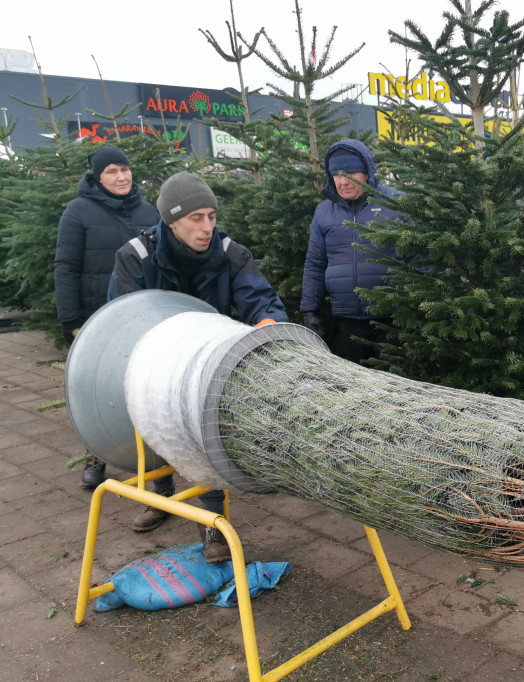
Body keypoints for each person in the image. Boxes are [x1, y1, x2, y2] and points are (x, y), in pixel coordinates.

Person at [109, 171, 288, 562]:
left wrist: (268, 328)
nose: (207, 227)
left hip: (205, 366)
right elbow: (119, 323)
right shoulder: (135, 258)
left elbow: (262, 302)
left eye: (212, 216)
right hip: (153, 364)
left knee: (201, 433)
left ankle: (213, 527)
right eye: (196, 218)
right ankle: (162, 498)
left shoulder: (231, 253)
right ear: (171, 221)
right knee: (152, 425)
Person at [55, 146, 160, 491]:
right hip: (96, 315)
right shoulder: (78, 212)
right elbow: (66, 267)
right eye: (112, 171)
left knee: (145, 385)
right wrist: (70, 318)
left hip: (141, 316)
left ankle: (155, 462)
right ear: (98, 176)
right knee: (96, 387)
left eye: (125, 169)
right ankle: (95, 456)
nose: (122, 177)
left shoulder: (148, 212)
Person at [299, 139, 400, 362]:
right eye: (336, 175)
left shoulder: (394, 203)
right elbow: (315, 263)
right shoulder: (324, 211)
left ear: (367, 172)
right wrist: (310, 311)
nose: (343, 182)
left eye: (350, 173)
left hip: (392, 319)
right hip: (347, 319)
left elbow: (417, 257)